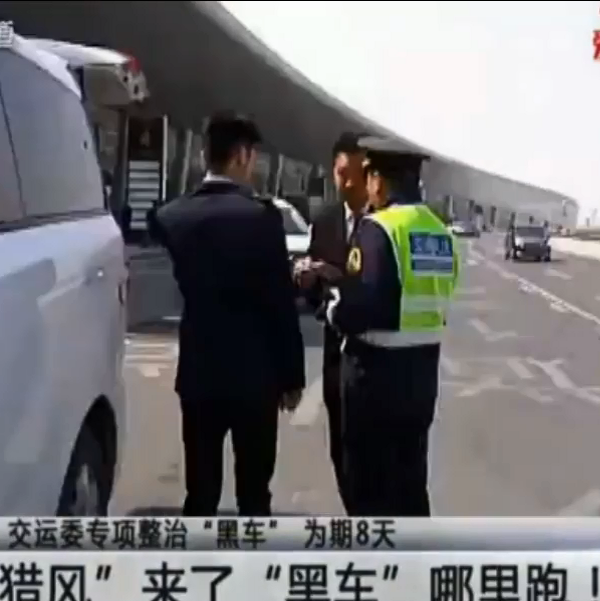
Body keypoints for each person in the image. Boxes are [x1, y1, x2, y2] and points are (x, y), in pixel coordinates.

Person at [148, 112, 305, 517]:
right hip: (256, 379)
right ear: (241, 156)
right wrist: (292, 377)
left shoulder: (172, 216)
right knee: (254, 494)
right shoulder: (262, 218)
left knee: (200, 493)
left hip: (199, 374)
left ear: (204, 156)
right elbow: (279, 302)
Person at [325, 136, 460, 517]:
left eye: (368, 177)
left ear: (378, 180)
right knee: (411, 485)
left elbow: (361, 307)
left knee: (367, 490)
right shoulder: (440, 232)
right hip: (421, 378)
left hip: (374, 380)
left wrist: (332, 307)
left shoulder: (379, 228)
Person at [293, 132, 369, 512]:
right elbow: (314, 295)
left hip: (373, 360)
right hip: (334, 356)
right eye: (342, 174)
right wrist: (308, 279)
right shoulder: (324, 221)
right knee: (340, 448)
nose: (348, 183)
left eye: (356, 175)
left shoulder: (382, 223)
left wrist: (338, 275)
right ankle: (354, 515)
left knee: (370, 456)